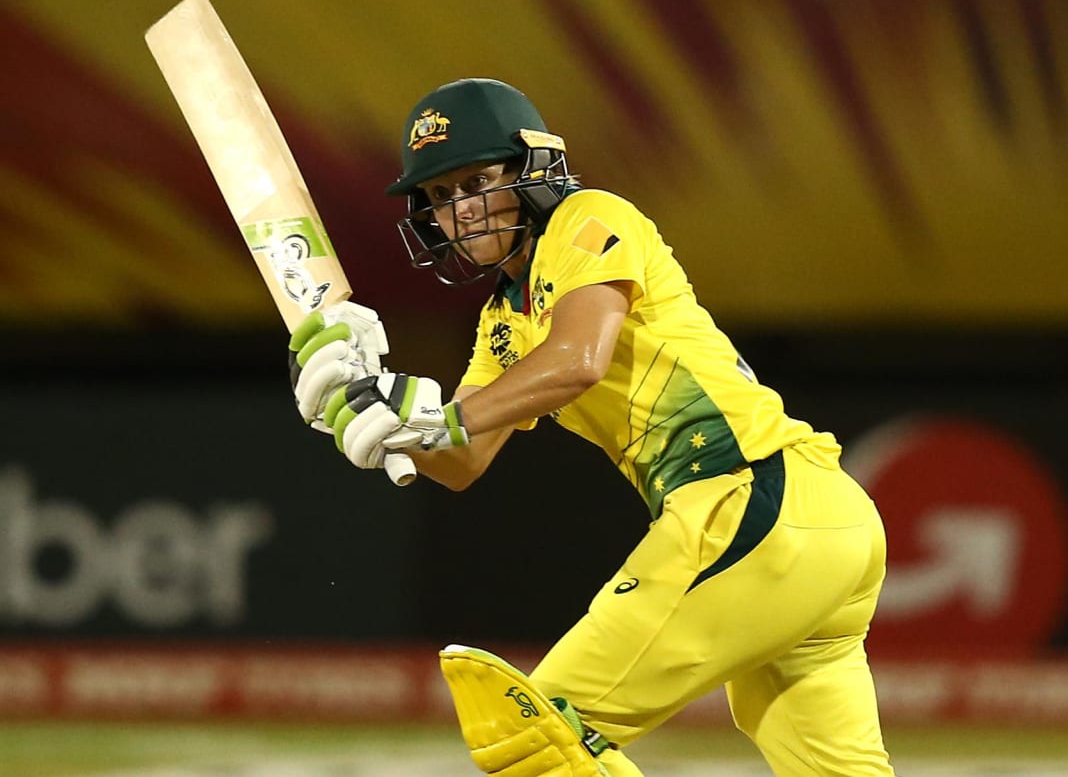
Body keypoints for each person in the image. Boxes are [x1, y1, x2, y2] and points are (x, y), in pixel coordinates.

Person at [289, 78, 893, 776]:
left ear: (530, 170)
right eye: (442, 195)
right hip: (813, 525)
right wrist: (368, 408)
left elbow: (576, 361)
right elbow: (462, 459)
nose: (462, 210)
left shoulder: (586, 218)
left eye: (477, 181)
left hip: (752, 503)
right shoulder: (503, 322)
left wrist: (436, 417)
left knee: (531, 738)